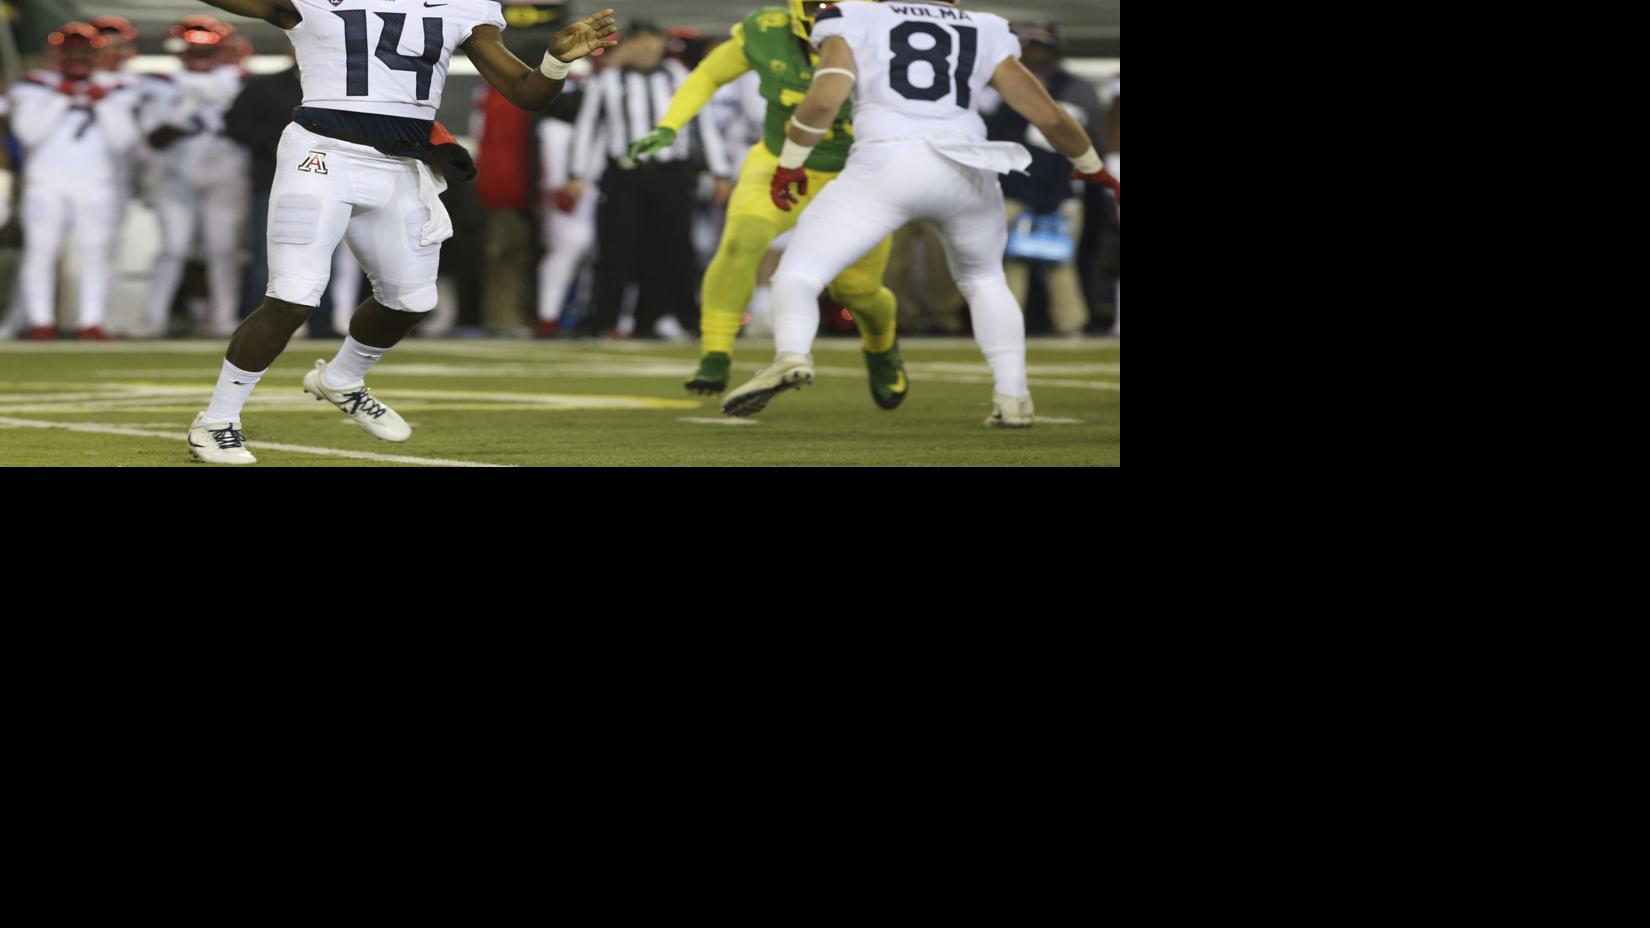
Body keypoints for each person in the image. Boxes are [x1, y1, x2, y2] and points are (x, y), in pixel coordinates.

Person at [182, 0, 620, 465]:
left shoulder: (464, 7)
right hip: (323, 154)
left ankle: (341, 379)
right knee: (293, 295)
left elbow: (527, 93)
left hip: (402, 164)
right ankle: (215, 422)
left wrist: (555, 61)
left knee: (411, 302)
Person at [721, 0, 1119, 427]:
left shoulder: (855, 16)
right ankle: (1013, 397)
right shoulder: (983, 27)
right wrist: (1096, 169)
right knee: (985, 281)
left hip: (887, 161)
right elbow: (1050, 116)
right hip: (968, 164)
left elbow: (824, 102)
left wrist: (791, 161)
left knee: (799, 273)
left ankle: (792, 354)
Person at [628, 0, 907, 406]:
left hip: (856, 169)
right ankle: (716, 353)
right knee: (743, 237)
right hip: (779, 157)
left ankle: (882, 347)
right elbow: (709, 74)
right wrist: (670, 125)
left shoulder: (892, 34)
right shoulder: (769, 29)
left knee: (857, 289)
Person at [569, 20, 731, 340]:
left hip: (671, 173)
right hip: (623, 173)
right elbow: (588, 127)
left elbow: (704, 126)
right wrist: (577, 173)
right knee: (616, 249)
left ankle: (676, 319)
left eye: (652, 40)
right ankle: (604, 320)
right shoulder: (608, 80)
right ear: (628, 45)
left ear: (662, 43)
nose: (646, 47)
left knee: (675, 248)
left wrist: (720, 172)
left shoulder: (680, 76)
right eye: (639, 41)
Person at [6, 23, 143, 341]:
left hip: (97, 182)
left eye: (85, 52)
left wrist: (102, 103)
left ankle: (91, 321)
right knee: (41, 251)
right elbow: (29, 134)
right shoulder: (33, 84)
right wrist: (58, 99)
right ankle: (41, 320)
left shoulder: (117, 87)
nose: (78, 59)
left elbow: (123, 141)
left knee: (95, 252)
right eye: (72, 52)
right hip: (46, 181)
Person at [986, 24, 1105, 336]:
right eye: (1030, 47)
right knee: (1012, 262)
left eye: (1041, 48)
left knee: (1060, 263)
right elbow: (997, 144)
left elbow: (1088, 143)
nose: (1035, 54)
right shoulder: (1000, 88)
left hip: (1062, 194)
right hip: (1015, 191)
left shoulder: (1077, 91)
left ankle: (1071, 325)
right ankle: (1006, 326)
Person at [143, 16, 253, 338]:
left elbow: (257, 127)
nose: (200, 58)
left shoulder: (242, 80)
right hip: (175, 173)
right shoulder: (160, 82)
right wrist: (183, 112)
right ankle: (154, 318)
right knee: (173, 249)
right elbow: (153, 138)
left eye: (207, 51)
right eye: (193, 51)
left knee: (224, 249)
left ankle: (224, 318)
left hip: (227, 172)